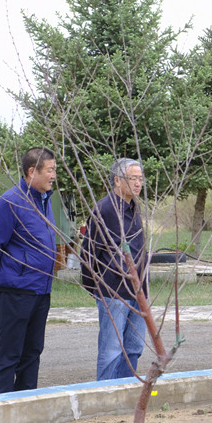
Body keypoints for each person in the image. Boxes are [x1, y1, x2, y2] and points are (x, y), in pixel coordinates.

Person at [0, 147, 57, 394]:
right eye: (50, 170)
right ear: (32, 171)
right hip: (15, 292)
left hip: (41, 291)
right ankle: (3, 408)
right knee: (9, 356)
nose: (53, 175)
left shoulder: (44, 200)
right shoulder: (10, 202)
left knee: (32, 353)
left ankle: (26, 405)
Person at [81, 158, 148, 380]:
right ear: (117, 180)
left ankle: (127, 390)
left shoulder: (134, 207)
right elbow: (89, 253)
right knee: (112, 350)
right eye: (133, 178)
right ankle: (106, 393)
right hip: (114, 291)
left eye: (140, 179)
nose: (138, 183)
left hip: (139, 291)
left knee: (134, 347)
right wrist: (96, 288)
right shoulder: (105, 209)